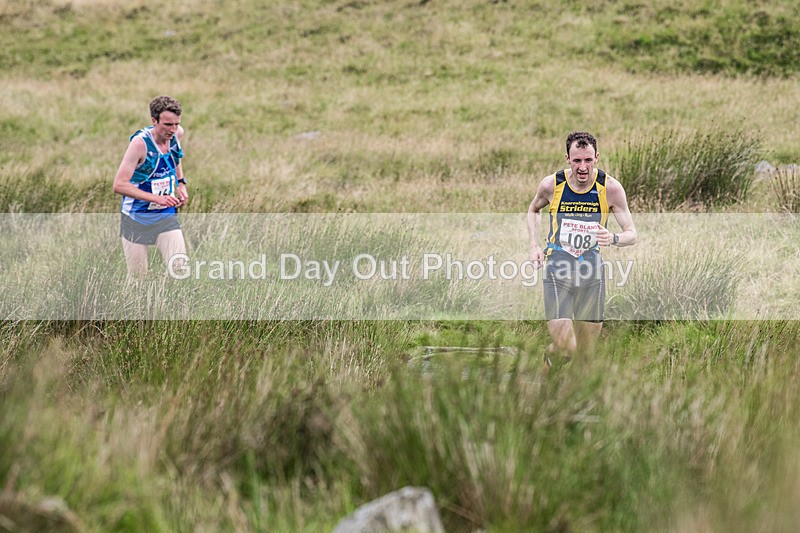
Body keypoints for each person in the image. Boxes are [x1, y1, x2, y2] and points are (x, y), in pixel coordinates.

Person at [527, 131, 636, 366]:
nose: (583, 167)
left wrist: (613, 237)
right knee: (566, 349)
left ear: (596, 157)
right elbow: (533, 209)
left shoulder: (611, 188)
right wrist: (534, 245)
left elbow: (632, 234)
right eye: (577, 160)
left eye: (588, 160)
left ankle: (570, 398)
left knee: (586, 356)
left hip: (591, 272)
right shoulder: (551, 185)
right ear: (567, 159)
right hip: (558, 269)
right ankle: (546, 382)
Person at [113, 96, 189, 278]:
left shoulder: (177, 134)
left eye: (176, 124)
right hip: (136, 219)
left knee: (179, 268)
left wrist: (181, 183)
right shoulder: (139, 144)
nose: (173, 130)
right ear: (154, 121)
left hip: (165, 216)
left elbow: (175, 157)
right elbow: (119, 185)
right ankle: (145, 303)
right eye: (167, 125)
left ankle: (164, 300)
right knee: (138, 279)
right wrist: (157, 198)